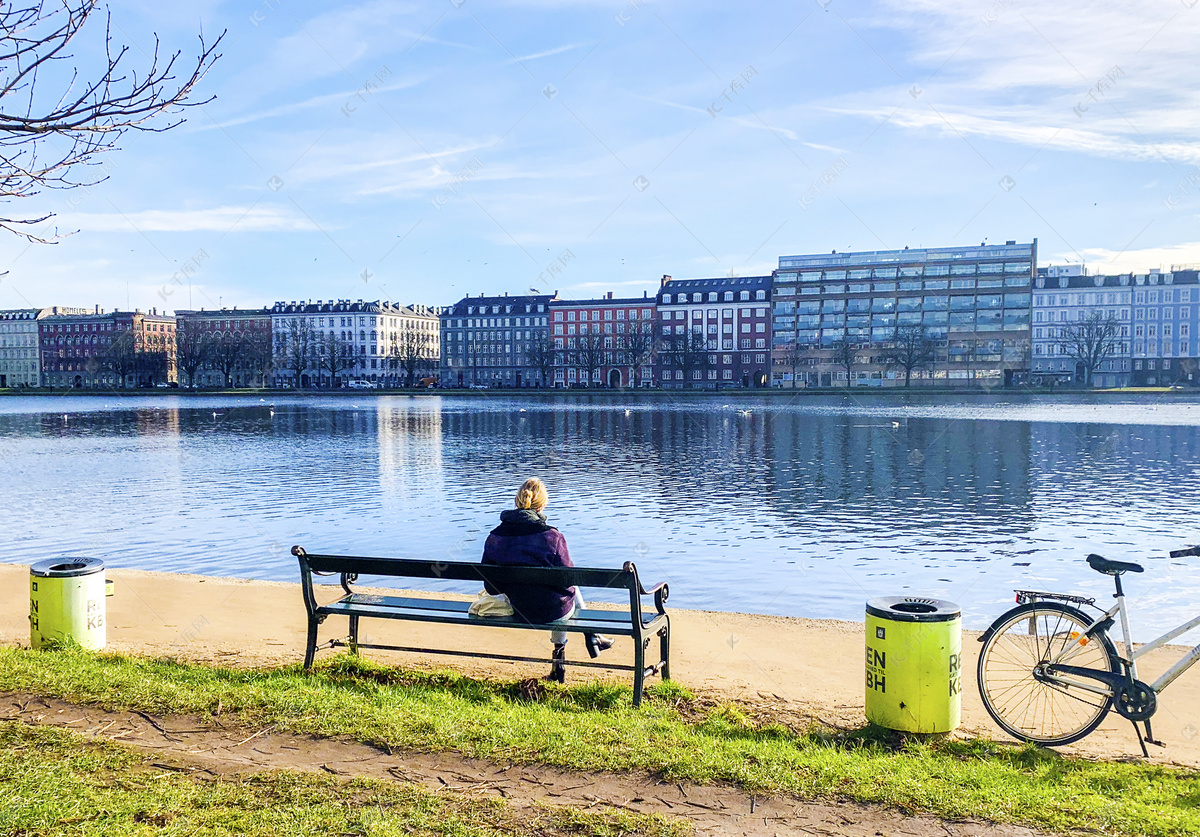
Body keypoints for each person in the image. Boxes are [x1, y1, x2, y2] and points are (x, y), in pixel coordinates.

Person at [481, 477, 612, 682]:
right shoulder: (552, 537)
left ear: (517, 501)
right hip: (551, 612)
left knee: (560, 593)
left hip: (520, 609)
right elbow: (568, 577)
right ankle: (585, 640)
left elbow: (490, 588)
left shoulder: (494, 536)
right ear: (542, 506)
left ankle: (590, 637)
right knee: (568, 592)